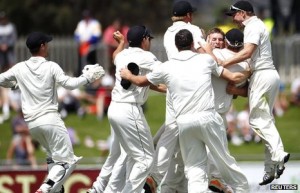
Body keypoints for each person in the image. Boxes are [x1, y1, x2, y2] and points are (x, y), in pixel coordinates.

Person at [120, 29, 250, 193]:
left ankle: (158, 178)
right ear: (191, 44)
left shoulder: (167, 67)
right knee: (225, 162)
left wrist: (128, 75)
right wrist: (250, 70)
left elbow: (140, 81)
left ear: (176, 45)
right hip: (208, 117)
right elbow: (231, 77)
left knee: (195, 168)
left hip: (184, 123)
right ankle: (242, 189)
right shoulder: (206, 61)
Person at [0, 31, 105, 193]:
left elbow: (1, 80)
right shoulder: (51, 66)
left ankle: (55, 190)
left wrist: (14, 85)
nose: (48, 46)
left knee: (53, 160)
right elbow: (70, 84)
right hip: (50, 120)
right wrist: (88, 78)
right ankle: (45, 189)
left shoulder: (20, 68)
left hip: (33, 125)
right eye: (46, 43)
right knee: (68, 162)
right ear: (42, 46)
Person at [220, 0, 290, 185]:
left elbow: (247, 52)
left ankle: (279, 154)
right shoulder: (256, 25)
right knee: (266, 120)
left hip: (262, 75)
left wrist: (221, 64)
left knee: (257, 120)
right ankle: (271, 168)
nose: (233, 19)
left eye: (234, 15)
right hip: (268, 75)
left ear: (243, 13)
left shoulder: (252, 25)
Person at [88, 26, 164, 193]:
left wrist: (121, 44)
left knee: (130, 155)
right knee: (146, 159)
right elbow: (165, 72)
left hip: (115, 109)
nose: (150, 42)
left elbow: (115, 57)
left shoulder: (122, 55)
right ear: (144, 40)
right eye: (149, 39)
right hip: (129, 110)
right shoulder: (147, 56)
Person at [147, 2, 215, 192]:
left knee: (171, 132)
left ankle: (155, 175)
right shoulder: (192, 29)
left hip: (173, 85)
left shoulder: (169, 32)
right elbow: (203, 53)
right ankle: (215, 178)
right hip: (193, 86)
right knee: (204, 134)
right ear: (188, 15)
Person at [0, 11, 17, 121]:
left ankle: (11, 89)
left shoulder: (11, 27)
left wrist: (7, 45)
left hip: (9, 52)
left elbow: (14, 38)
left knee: (10, 69)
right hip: (0, 53)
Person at [74, 9, 102, 76]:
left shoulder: (95, 23)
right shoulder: (81, 23)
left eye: (87, 16)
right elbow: (76, 34)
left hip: (91, 47)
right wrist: (79, 40)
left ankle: (94, 76)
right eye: (85, 16)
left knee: (92, 62)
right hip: (82, 46)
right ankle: (80, 75)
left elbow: (97, 35)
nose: (86, 17)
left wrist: (88, 42)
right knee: (80, 62)